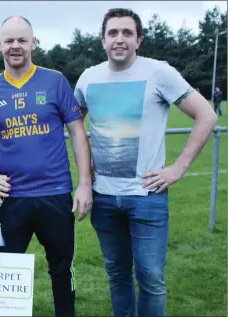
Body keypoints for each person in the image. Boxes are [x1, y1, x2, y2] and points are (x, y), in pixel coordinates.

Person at [74, 8, 218, 316]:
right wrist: (85, 180)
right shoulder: (88, 78)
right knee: (117, 274)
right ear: (102, 39)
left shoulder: (159, 72)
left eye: (127, 33)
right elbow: (74, 128)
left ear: (139, 40)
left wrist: (178, 168)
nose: (119, 39)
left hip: (148, 196)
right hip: (104, 196)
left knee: (151, 278)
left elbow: (207, 115)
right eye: (113, 33)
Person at [0, 16, 93, 317]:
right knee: (1, 269)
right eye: (9, 41)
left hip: (54, 194)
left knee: (60, 267)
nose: (16, 46)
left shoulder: (55, 81)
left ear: (34, 43)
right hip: (10, 198)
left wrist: (84, 183)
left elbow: (78, 132)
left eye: (22, 40)